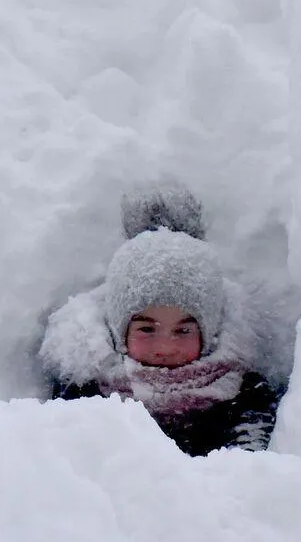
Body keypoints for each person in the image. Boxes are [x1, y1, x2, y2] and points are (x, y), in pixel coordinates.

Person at [39, 186, 282, 456]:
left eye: (183, 330)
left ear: (209, 332)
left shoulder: (245, 397)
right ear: (118, 331)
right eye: (146, 329)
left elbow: (248, 472)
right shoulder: (86, 396)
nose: (165, 347)